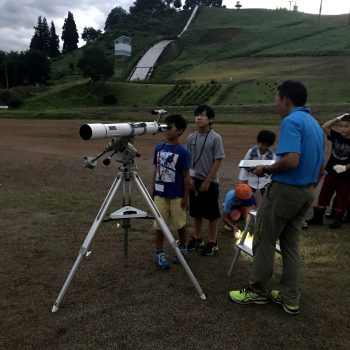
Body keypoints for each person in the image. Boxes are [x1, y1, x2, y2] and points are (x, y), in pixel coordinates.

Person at [228, 80, 325, 315]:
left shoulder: (291, 121)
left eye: (277, 99)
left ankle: (258, 290)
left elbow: (291, 160)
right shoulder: (315, 125)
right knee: (291, 244)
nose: (276, 103)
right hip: (306, 191)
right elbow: (321, 167)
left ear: (285, 100)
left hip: (284, 191)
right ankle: (290, 296)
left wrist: (266, 169)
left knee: (263, 239)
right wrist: (307, 189)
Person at [152, 114, 190, 269]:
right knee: (159, 225)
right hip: (160, 194)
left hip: (176, 195)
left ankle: (182, 247)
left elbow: (186, 175)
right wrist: (152, 190)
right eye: (165, 127)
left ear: (179, 130)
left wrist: (186, 196)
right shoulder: (159, 148)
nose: (166, 130)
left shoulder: (183, 152)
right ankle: (159, 252)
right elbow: (156, 169)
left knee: (180, 224)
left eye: (169, 127)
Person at [186, 105, 225, 256]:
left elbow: (218, 160)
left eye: (202, 115)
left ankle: (212, 242)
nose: (199, 118)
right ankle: (197, 238)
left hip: (210, 181)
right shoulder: (191, 137)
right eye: (196, 115)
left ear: (211, 119)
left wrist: (208, 180)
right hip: (194, 180)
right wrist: (189, 178)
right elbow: (188, 159)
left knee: (212, 213)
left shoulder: (216, 138)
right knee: (196, 212)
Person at [307, 113, 350, 229]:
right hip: (332, 173)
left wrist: (345, 167)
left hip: (346, 176)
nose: (342, 129)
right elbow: (325, 127)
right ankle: (318, 218)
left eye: (346, 126)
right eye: (341, 126)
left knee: (342, 197)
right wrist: (338, 118)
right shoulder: (337, 136)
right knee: (324, 195)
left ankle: (337, 220)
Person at [238, 130, 276, 197]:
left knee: (266, 198)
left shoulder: (272, 155)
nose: (262, 147)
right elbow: (245, 165)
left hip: (265, 181)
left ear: (270, 145)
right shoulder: (251, 152)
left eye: (265, 145)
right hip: (251, 180)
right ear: (258, 142)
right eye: (261, 144)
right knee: (247, 197)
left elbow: (273, 170)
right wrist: (244, 181)